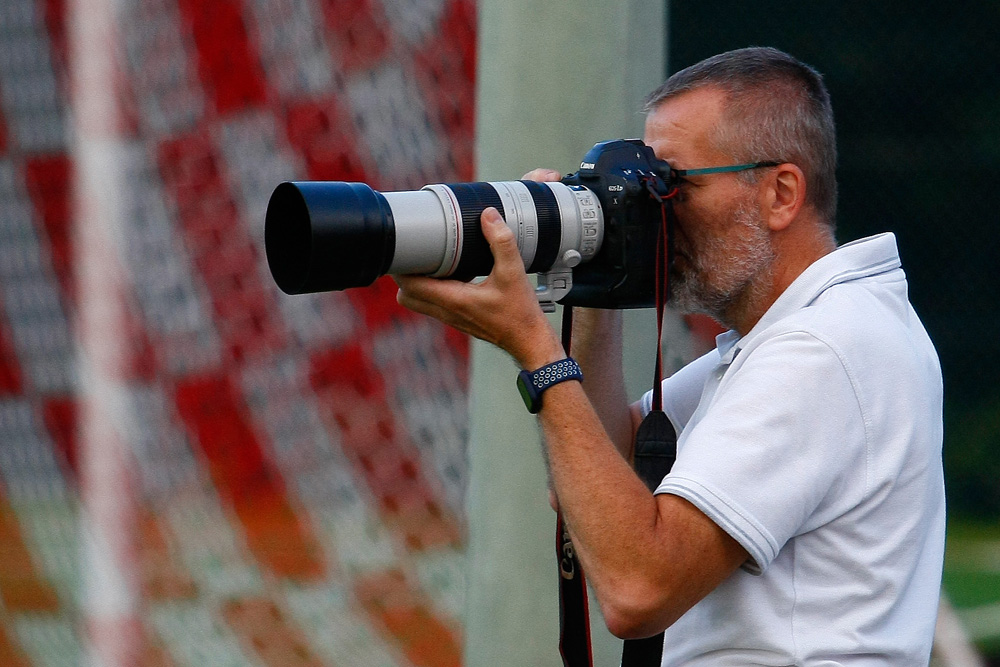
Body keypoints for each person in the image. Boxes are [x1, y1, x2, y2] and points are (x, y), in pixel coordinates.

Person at [395, 47, 945, 665]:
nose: (656, 215)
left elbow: (638, 589)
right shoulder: (813, 333)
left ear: (781, 194)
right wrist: (593, 269)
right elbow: (610, 475)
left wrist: (536, 351)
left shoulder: (822, 349)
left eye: (672, 186)